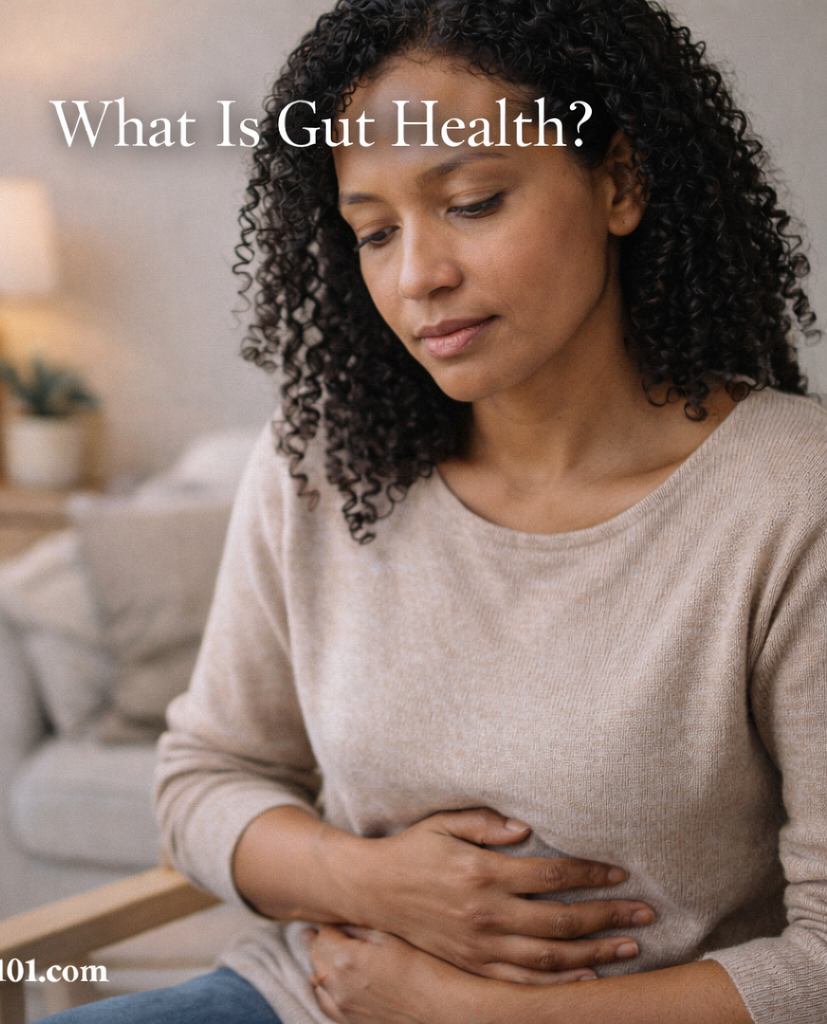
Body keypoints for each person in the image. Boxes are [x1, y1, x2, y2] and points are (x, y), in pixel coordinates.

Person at [41, 1, 826, 1022]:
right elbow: (203, 779)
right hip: (313, 999)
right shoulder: (323, 459)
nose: (418, 277)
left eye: (472, 201)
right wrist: (370, 882)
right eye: (373, 230)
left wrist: (466, 1008)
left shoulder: (789, 497)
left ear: (618, 181)